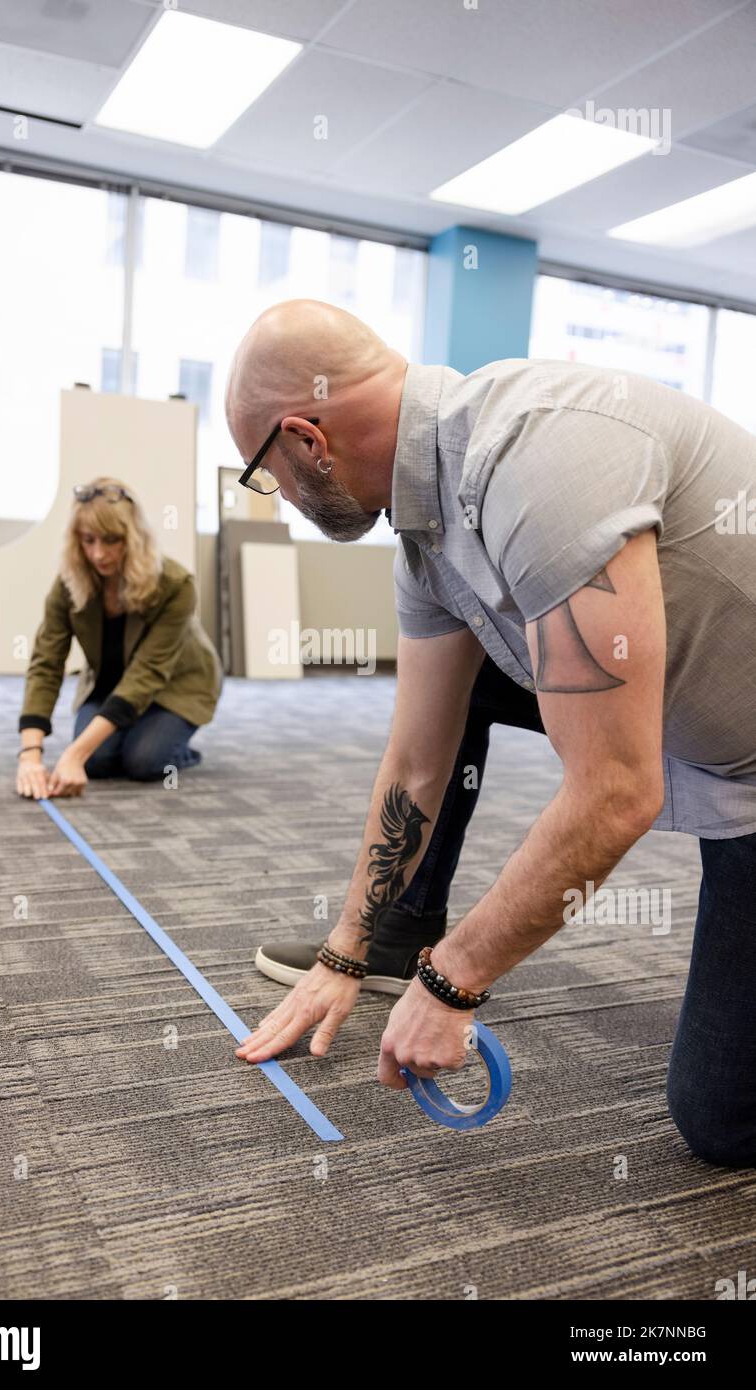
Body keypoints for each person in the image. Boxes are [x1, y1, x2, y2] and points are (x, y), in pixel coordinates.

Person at [223, 298, 756, 1167]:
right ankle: (400, 929)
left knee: (720, 1120)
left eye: (264, 474)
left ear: (306, 439)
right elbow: (415, 761)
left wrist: (453, 979)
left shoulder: (540, 459)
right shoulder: (425, 538)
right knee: (467, 684)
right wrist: (347, 950)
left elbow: (615, 791)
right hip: (713, 737)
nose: (278, 499)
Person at [16, 477, 222, 798]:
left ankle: (176, 747)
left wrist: (73, 755)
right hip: (110, 683)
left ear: (134, 537)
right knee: (96, 761)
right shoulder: (70, 582)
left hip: (176, 683)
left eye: (111, 540)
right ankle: (127, 733)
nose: (98, 554)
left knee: (144, 762)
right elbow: (46, 663)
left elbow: (147, 674)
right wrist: (30, 755)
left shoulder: (176, 585)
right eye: (88, 540)